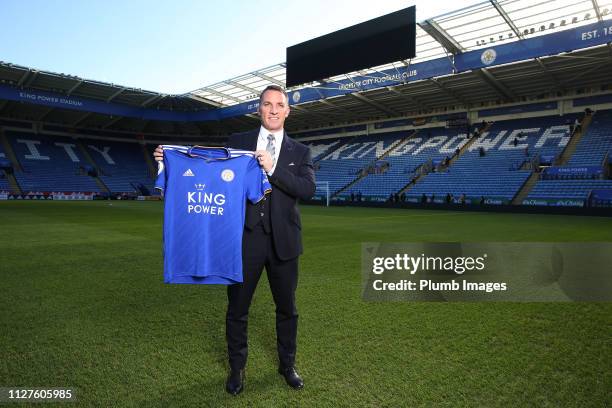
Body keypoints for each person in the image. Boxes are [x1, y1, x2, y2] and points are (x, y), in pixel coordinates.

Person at [153, 85, 315, 395]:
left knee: (287, 309)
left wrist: (272, 169)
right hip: (244, 239)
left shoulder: (301, 151)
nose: (273, 109)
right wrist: (168, 156)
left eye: (279, 105)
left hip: (284, 242)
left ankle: (287, 365)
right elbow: (203, 163)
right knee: (238, 308)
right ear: (259, 108)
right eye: (267, 104)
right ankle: (237, 368)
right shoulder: (237, 143)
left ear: (287, 110)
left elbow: (306, 189)